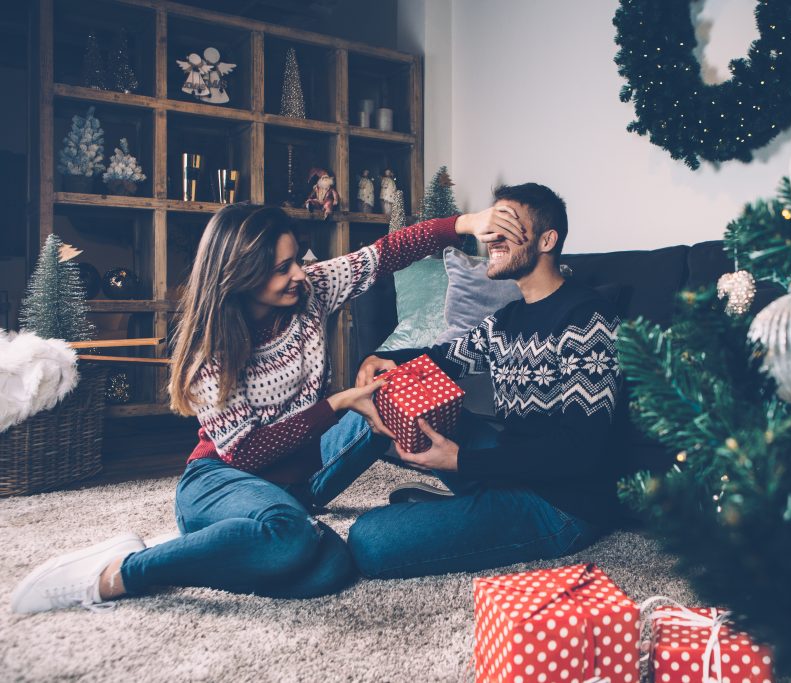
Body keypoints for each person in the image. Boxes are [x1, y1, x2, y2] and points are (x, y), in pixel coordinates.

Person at [11, 203, 524, 613]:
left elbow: (385, 252)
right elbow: (247, 453)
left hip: (303, 481)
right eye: (283, 268)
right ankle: (121, 571)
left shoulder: (311, 291)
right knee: (292, 538)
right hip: (222, 479)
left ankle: (493, 504)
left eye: (299, 258)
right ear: (241, 272)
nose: (301, 274)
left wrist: (465, 223)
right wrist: (342, 401)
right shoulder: (208, 351)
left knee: (329, 570)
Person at [337, 182, 624, 579]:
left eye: (505, 224)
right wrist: (380, 359)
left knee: (370, 541)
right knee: (388, 390)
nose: (490, 237)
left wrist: (461, 461)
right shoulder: (507, 318)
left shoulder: (587, 320)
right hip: (509, 464)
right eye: (489, 225)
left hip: (561, 504)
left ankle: (464, 512)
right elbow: (442, 360)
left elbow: (581, 450)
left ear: (546, 240)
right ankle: (300, 498)